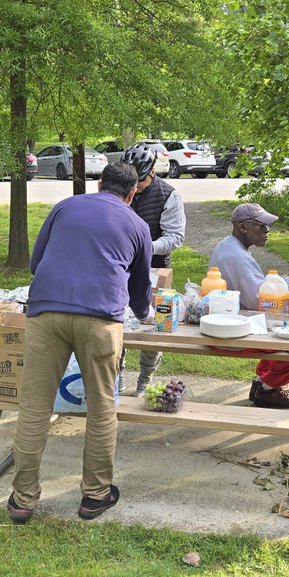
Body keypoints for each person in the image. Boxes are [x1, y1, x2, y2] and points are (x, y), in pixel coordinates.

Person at [7, 162, 153, 523]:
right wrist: (145, 312)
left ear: (100, 183)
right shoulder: (137, 225)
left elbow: (36, 263)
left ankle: (23, 499)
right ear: (133, 193)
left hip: (46, 313)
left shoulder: (65, 207)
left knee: (35, 406)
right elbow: (139, 293)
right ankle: (95, 496)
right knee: (102, 408)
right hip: (101, 321)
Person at [209, 202, 289, 409]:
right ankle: (269, 390)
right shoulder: (236, 256)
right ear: (242, 227)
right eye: (261, 225)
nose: (267, 230)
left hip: (230, 321)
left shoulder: (229, 245)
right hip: (230, 331)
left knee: (288, 316)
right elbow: (262, 300)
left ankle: (262, 382)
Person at [118, 143, 186, 394]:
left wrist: (144, 246)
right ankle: (117, 377)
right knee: (118, 324)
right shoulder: (121, 191)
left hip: (155, 269)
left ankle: (145, 380)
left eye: (139, 181)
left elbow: (175, 237)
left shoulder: (169, 196)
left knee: (153, 328)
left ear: (152, 174)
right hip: (120, 268)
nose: (134, 187)